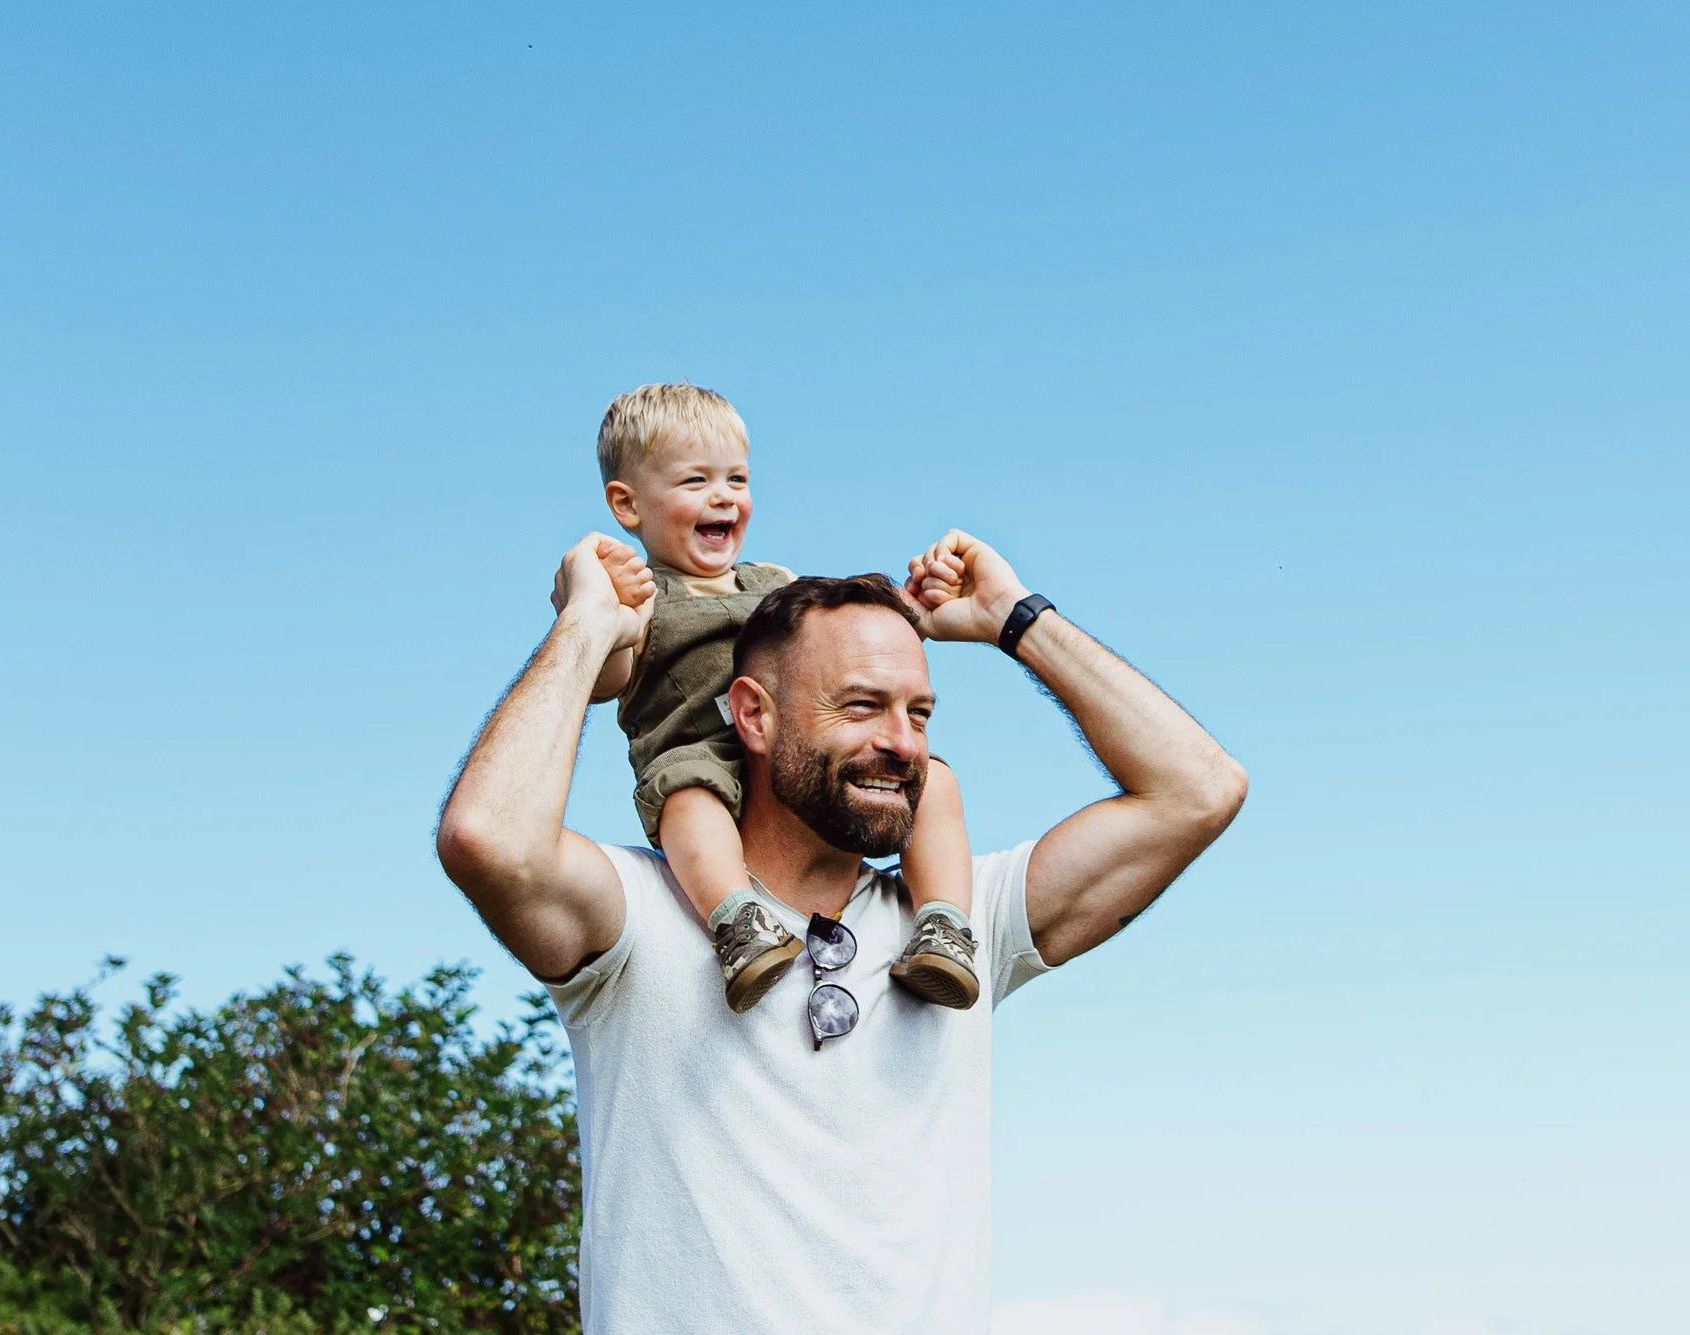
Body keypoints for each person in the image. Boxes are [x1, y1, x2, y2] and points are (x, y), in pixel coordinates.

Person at [435, 526, 1248, 1333]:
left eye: (919, 713)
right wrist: (587, 625)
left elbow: (1199, 788)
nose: (901, 743)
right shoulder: (640, 919)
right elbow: (488, 838)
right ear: (752, 716)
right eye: (861, 705)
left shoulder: (963, 917)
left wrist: (1013, 615)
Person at [577, 382, 977, 1014]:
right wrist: (599, 614)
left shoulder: (774, 582)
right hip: (696, 757)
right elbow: (603, 680)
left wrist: (918, 599)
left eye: (737, 480)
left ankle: (945, 927)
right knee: (690, 800)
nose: (723, 498)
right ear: (628, 506)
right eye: (694, 482)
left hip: (786, 752)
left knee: (939, 784)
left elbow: (839, 634)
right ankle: (738, 925)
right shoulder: (642, 597)